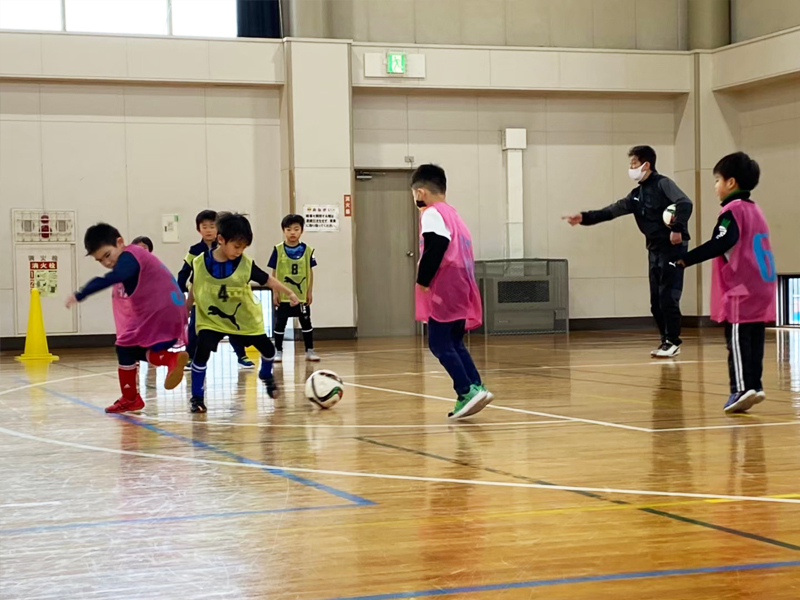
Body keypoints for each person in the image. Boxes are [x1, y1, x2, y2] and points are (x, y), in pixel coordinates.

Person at [563, 146, 693, 358]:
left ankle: (673, 341)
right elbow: (611, 211)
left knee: (668, 297)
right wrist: (584, 218)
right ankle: (666, 341)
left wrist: (677, 229)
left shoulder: (663, 184)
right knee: (655, 302)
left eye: (634, 163)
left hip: (673, 248)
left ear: (646, 165)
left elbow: (685, 203)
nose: (631, 168)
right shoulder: (636, 195)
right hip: (654, 249)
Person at [676, 152, 776, 414]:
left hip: (742, 287)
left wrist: (686, 259)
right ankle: (755, 385)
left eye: (717, 180)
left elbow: (722, 242)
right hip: (763, 285)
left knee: (737, 338)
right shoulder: (755, 210)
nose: (715, 185)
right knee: (754, 337)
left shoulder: (732, 211)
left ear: (731, 182)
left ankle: (741, 388)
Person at [66, 223, 188, 413]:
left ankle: (132, 397)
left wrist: (81, 293)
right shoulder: (138, 256)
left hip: (160, 313)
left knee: (124, 346)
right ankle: (170, 359)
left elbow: (114, 276)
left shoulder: (129, 258)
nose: (107, 262)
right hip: (174, 311)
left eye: (107, 255)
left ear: (120, 242)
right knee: (130, 349)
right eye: (100, 260)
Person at [187, 212, 300, 413]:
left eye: (243, 247)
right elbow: (194, 287)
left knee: (269, 351)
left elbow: (267, 279)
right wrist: (185, 309)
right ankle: (197, 398)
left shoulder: (245, 263)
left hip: (243, 319)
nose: (240, 251)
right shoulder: (200, 262)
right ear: (221, 240)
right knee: (201, 354)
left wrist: (289, 292)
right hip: (212, 319)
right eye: (236, 246)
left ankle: (266, 374)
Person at [412, 164, 492, 420]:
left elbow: (436, 245)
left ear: (421, 192)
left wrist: (423, 280)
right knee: (454, 340)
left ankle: (465, 390)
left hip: (445, 284)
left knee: (438, 343)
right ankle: (476, 386)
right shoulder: (454, 214)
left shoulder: (432, 213)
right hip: (462, 283)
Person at [177, 209, 253, 370]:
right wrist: (180, 292)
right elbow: (184, 272)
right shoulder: (195, 250)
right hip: (200, 297)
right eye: (204, 227)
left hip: (224, 296)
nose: (208, 230)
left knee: (233, 325)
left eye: (212, 226)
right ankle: (190, 356)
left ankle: (242, 355)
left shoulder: (226, 249)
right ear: (198, 229)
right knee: (195, 328)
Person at [267, 214, 319, 362]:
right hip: (284, 296)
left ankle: (309, 350)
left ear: (302, 230)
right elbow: (274, 272)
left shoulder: (308, 250)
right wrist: (275, 292)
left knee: (306, 323)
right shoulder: (278, 249)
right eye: (288, 229)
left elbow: (310, 272)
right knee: (280, 324)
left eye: (296, 229)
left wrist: (309, 291)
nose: (292, 233)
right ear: (283, 231)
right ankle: (278, 351)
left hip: (301, 295)